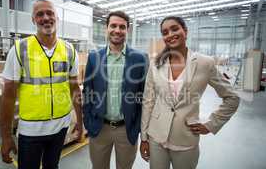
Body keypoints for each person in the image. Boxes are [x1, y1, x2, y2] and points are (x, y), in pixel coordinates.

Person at [140, 16, 240, 169]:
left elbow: (232, 97)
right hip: (156, 137)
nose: (170, 34)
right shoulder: (156, 64)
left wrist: (211, 124)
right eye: (165, 32)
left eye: (175, 29)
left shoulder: (204, 63)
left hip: (185, 138)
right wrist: (144, 137)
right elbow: (148, 101)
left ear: (185, 31)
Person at [0, 0, 83, 169]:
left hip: (61, 128)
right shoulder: (19, 50)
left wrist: (80, 122)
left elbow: (75, 89)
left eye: (50, 13)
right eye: (40, 14)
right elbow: (7, 97)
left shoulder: (69, 50)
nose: (46, 18)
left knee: (52, 166)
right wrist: (6, 137)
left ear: (57, 18)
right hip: (31, 132)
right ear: (33, 20)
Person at [83, 11, 148, 169]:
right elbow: (87, 92)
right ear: (107, 28)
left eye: (122, 27)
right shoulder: (94, 57)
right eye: (113, 26)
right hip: (99, 128)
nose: (117, 30)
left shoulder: (140, 58)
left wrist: (137, 126)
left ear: (128, 30)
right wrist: (88, 121)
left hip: (126, 130)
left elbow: (144, 95)